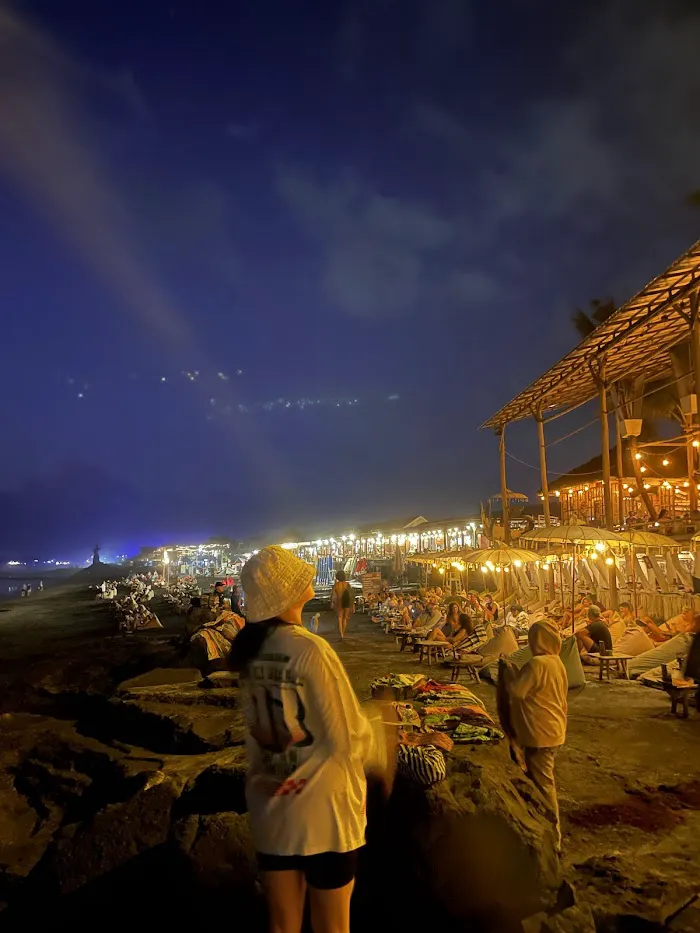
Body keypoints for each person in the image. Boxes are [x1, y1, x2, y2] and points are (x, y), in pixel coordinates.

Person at [229, 547, 390, 933]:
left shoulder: (253, 655)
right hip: (323, 815)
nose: (308, 579)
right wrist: (383, 733)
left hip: (273, 808)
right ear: (288, 593)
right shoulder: (310, 649)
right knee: (332, 927)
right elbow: (346, 737)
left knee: (282, 925)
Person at [507, 621, 567, 850]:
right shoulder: (557, 662)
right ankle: (543, 830)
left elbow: (517, 691)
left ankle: (553, 840)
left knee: (544, 786)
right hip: (554, 728)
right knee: (541, 780)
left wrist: (510, 672)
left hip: (540, 732)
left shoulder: (537, 664)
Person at [331, 570, 354, 640]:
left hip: (339, 602)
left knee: (340, 618)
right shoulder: (347, 584)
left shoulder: (336, 585)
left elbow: (332, 595)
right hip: (347, 601)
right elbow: (351, 595)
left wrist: (332, 603)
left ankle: (341, 634)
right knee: (345, 618)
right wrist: (352, 605)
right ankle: (343, 632)